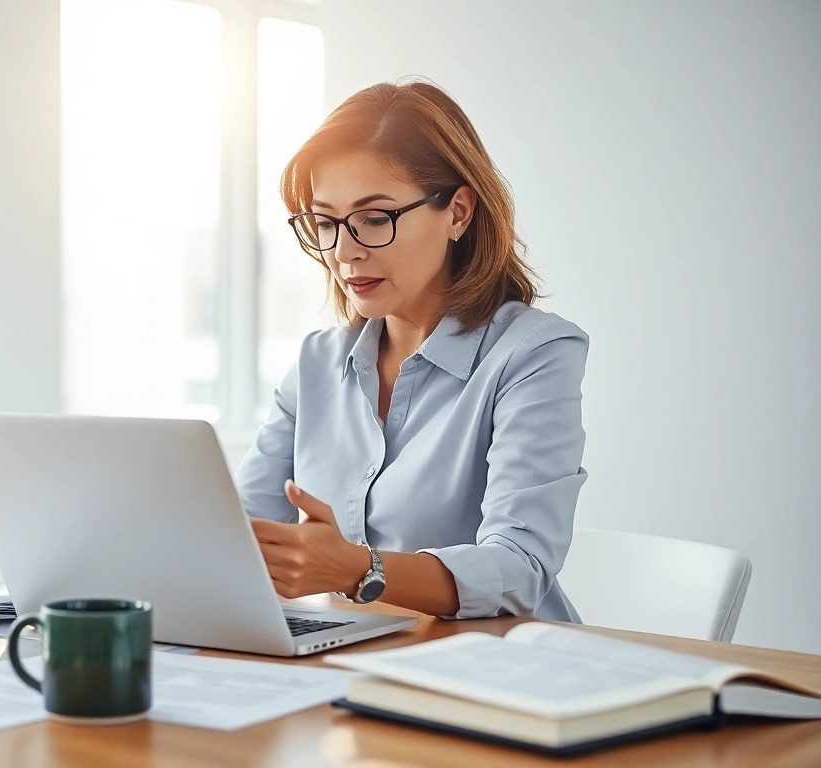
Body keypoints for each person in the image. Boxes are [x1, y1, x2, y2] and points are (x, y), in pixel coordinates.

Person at [237, 79, 588, 622]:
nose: (344, 251)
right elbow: (236, 536)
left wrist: (356, 569)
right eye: (326, 222)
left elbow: (519, 570)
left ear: (459, 213)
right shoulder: (315, 365)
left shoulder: (533, 353)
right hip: (354, 670)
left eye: (375, 219)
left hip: (501, 678)